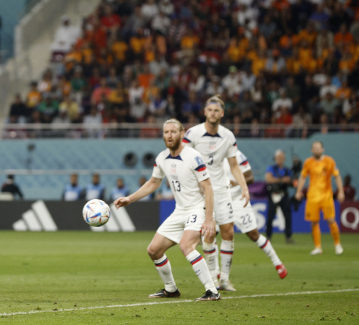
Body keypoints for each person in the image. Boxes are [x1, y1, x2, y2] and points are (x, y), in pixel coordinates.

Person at [114, 119, 219, 301]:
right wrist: (129, 199)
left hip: (198, 209)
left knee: (186, 246)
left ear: (182, 133)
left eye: (173, 131)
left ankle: (212, 291)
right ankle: (171, 289)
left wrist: (209, 219)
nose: (169, 135)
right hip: (180, 211)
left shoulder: (193, 156)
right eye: (166, 132)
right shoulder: (162, 158)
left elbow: (208, 188)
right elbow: (154, 182)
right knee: (154, 250)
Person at [183, 95, 250, 291]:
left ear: (222, 113)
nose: (213, 113)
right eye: (209, 110)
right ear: (205, 112)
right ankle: (212, 277)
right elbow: (184, 160)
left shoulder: (228, 136)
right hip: (201, 192)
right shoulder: (192, 134)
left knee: (228, 232)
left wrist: (244, 187)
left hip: (221, 190)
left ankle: (225, 280)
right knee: (209, 234)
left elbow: (234, 166)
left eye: (216, 110)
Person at [226, 150, 287, 279]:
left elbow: (250, 177)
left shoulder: (237, 155)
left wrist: (236, 182)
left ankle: (278, 263)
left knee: (254, 234)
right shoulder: (208, 153)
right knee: (210, 235)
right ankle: (219, 277)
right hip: (219, 201)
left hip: (238, 200)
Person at [295, 141, 344, 255]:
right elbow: (302, 177)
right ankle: (318, 247)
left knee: (331, 220)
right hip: (312, 197)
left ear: (323, 149)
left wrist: (341, 191)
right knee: (314, 222)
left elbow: (337, 176)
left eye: (318, 148)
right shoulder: (308, 162)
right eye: (314, 148)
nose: (316, 150)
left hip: (326, 196)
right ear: (312, 150)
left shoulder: (329, 161)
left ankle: (337, 244)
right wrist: (298, 191)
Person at [264, 150, 294, 243]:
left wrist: (289, 181)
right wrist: (282, 180)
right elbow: (268, 179)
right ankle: (268, 236)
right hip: (274, 194)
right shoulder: (271, 168)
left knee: (287, 216)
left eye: (282, 158)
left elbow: (292, 182)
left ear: (284, 159)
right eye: (278, 157)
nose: (280, 159)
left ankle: (288, 237)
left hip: (284, 194)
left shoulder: (287, 170)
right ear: (275, 158)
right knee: (271, 216)